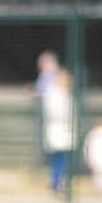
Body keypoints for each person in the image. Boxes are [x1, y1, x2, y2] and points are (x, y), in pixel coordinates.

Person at [36, 53, 74, 192]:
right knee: (58, 157)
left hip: (64, 129)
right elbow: (55, 112)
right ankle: (56, 182)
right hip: (58, 128)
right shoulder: (54, 93)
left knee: (62, 158)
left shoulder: (64, 93)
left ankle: (59, 181)